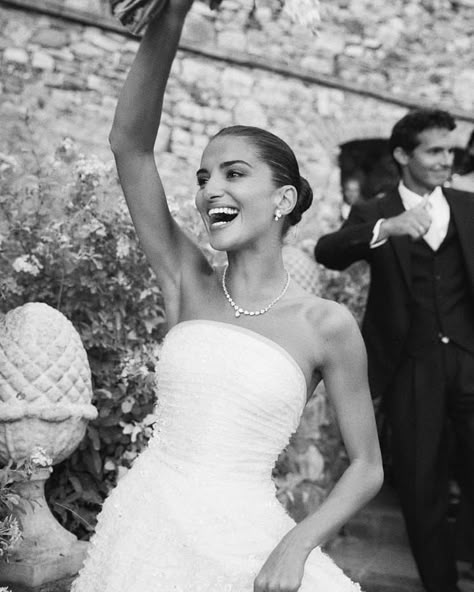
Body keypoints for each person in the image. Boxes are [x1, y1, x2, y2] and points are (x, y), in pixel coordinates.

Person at [71, 2, 383, 591]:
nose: (210, 189)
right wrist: (171, 15)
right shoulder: (186, 279)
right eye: (203, 178)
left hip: (251, 541)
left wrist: (295, 546)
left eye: (234, 174)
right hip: (148, 530)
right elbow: (129, 147)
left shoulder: (327, 324)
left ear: (284, 200)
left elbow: (367, 467)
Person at [314, 108, 474, 592]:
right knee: (421, 489)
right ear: (403, 154)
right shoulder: (375, 210)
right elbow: (328, 251)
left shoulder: (470, 206)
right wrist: (388, 228)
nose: (447, 159)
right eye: (435, 150)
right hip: (410, 367)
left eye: (451, 150)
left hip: (470, 361)